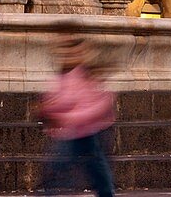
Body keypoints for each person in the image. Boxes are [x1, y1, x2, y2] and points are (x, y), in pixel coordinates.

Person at [36, 36, 115, 197]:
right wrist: (47, 109)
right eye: (68, 53)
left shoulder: (89, 76)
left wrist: (67, 118)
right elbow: (61, 99)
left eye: (75, 53)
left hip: (93, 132)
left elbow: (101, 104)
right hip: (72, 132)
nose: (71, 57)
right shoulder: (66, 76)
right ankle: (49, 192)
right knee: (59, 167)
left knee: (97, 171)